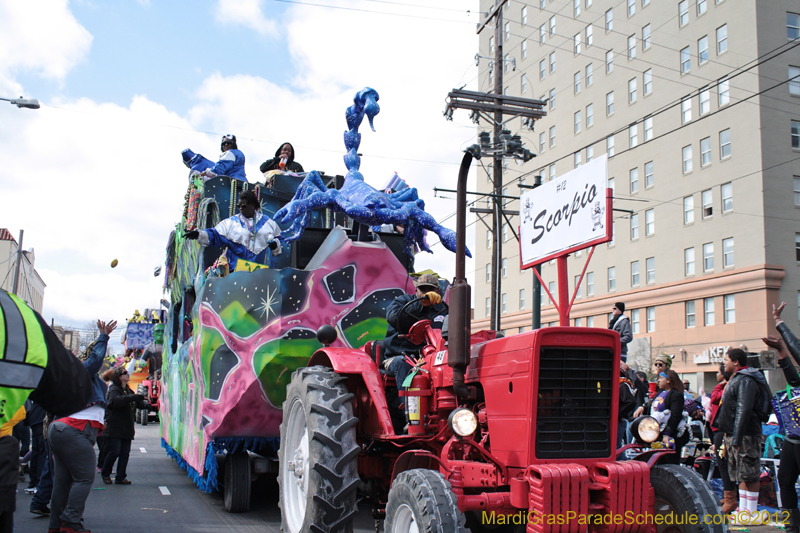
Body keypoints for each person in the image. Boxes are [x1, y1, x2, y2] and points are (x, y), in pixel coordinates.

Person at [0, 289, 95, 533]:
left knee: (59, 477)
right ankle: (67, 521)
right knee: (73, 476)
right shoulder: (15, 315)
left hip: (52, 430)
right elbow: (74, 392)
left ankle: (58, 522)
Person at [49, 320, 117, 533]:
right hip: (75, 429)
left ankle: (56, 526)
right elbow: (95, 360)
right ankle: (70, 521)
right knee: (85, 477)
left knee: (63, 482)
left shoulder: (62, 375)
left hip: (63, 430)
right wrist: (103, 337)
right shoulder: (74, 373)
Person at [712, 347, 768, 522]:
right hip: (735, 433)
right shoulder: (736, 379)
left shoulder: (746, 379)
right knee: (740, 473)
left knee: (749, 472)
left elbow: (744, 409)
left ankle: (750, 512)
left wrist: (736, 436)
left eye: (726, 360)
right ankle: (744, 509)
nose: (724, 363)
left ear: (736, 362)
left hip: (746, 434)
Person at [762, 302, 800, 532]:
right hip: (793, 435)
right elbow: (795, 381)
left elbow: (797, 348)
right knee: (785, 480)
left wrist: (780, 325)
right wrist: (781, 353)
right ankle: (791, 527)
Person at [184, 190, 282, 271]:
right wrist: (198, 234)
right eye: (238, 206)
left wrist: (275, 245)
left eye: (244, 206)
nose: (241, 209)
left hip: (262, 275)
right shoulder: (231, 223)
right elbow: (214, 235)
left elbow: (280, 240)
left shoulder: (268, 223)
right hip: (237, 274)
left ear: (252, 205)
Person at [382, 273, 448, 392]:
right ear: (416, 289)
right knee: (402, 364)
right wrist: (420, 303)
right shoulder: (402, 302)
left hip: (432, 357)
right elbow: (393, 317)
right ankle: (407, 408)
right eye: (423, 289)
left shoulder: (443, 310)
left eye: (431, 289)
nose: (426, 293)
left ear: (437, 291)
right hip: (399, 356)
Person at [100, 367, 152, 485]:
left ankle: (120, 476)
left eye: (127, 372)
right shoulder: (114, 389)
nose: (127, 374)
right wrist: (133, 397)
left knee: (125, 453)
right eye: (124, 373)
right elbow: (115, 402)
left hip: (127, 427)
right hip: (115, 427)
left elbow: (137, 403)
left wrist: (146, 405)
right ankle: (105, 473)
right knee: (115, 451)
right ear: (118, 377)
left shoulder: (127, 390)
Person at [633, 370, 689, 454]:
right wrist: (643, 408)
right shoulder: (659, 393)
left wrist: (667, 433)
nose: (658, 381)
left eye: (661, 378)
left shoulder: (675, 395)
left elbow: (676, 415)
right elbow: (652, 406)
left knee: (667, 461)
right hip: (656, 432)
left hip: (669, 434)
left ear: (668, 380)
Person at [709, 363, 737, 514]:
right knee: (722, 463)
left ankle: (732, 499)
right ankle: (729, 497)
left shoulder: (726, 387)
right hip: (718, 430)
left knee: (724, 462)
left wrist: (722, 385)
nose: (716, 375)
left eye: (718, 372)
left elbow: (714, 398)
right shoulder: (722, 387)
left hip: (724, 430)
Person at [181, 134, 247, 182]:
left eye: (228, 143)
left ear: (233, 144)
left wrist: (206, 173)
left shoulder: (230, 153)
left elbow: (220, 168)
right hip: (241, 182)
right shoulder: (239, 153)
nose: (226, 145)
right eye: (224, 144)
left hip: (233, 183)